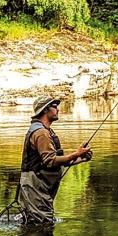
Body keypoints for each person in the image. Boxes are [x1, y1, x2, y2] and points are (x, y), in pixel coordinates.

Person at [18, 94, 92, 224]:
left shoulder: (46, 131)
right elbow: (50, 161)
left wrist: (81, 158)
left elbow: (55, 162)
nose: (58, 109)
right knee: (42, 224)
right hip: (35, 187)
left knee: (37, 223)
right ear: (45, 110)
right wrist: (76, 154)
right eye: (54, 106)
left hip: (38, 187)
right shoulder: (41, 133)